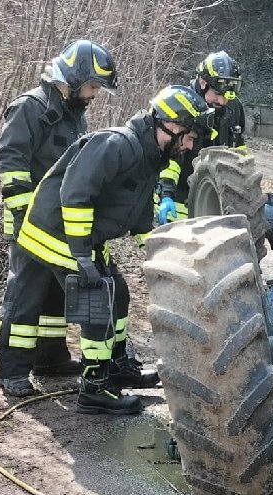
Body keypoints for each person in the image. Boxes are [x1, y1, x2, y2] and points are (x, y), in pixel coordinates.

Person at [16, 85, 212, 415]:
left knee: (118, 292)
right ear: (170, 124)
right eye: (189, 137)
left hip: (82, 238)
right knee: (98, 300)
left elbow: (139, 219)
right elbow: (75, 193)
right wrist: (81, 255)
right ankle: (94, 388)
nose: (189, 145)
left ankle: (118, 365)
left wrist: (165, 260)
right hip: (56, 231)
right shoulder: (116, 144)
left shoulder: (151, 158)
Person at [0, 40, 117, 397]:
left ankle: (49, 358)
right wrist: (25, 215)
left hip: (57, 226)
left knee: (51, 297)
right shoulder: (30, 108)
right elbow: (11, 163)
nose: (94, 94)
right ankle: (13, 372)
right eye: (93, 86)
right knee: (24, 295)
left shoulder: (72, 112)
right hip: (29, 226)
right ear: (75, 78)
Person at [155, 51, 246, 224]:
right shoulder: (183, 104)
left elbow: (239, 148)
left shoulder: (234, 108)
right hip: (178, 196)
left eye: (227, 96)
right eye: (218, 95)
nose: (223, 101)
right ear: (203, 82)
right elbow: (170, 155)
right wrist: (166, 194)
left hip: (215, 197)